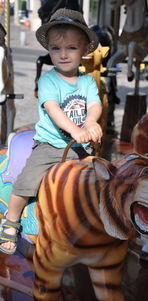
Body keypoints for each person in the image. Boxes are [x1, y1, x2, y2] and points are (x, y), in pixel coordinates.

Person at [0, 8, 102, 254]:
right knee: (26, 182)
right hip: (50, 145)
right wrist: (76, 129)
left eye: (71, 48)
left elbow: (95, 105)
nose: (63, 54)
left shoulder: (87, 82)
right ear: (49, 51)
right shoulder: (49, 80)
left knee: (100, 181)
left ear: (85, 50)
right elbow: (53, 109)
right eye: (56, 49)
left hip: (81, 147)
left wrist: (91, 123)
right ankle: (11, 220)